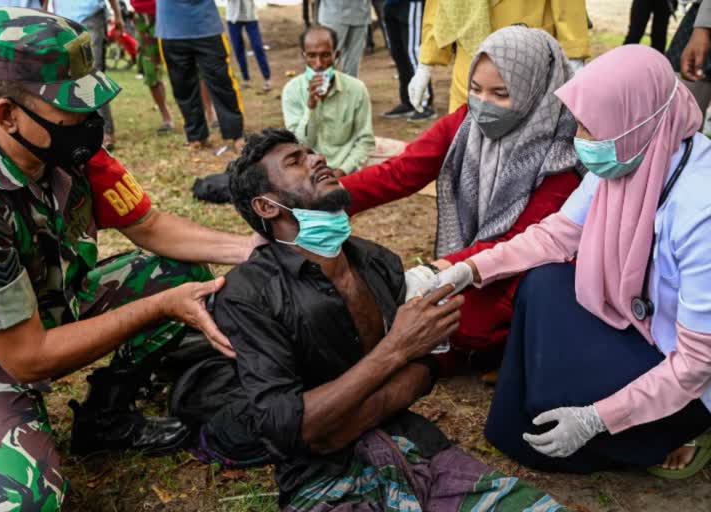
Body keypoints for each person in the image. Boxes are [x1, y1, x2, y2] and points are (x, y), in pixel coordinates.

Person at [0, 9, 259, 510]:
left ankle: (106, 416)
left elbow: (150, 226)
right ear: (8, 115)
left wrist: (251, 249)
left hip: (43, 308)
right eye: (71, 107)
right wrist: (159, 308)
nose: (90, 121)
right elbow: (26, 358)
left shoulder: (62, 150)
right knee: (20, 499)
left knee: (177, 276)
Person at [217, 127, 579, 511]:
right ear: (267, 206)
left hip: (419, 450)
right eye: (295, 161)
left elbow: (426, 366)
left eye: (311, 151)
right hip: (322, 482)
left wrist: (346, 420)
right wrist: (394, 350)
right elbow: (290, 427)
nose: (316, 159)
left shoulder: (377, 261)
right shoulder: (248, 293)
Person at [419, 45, 711, 479]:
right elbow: (556, 235)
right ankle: (566, 404)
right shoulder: (634, 152)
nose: (580, 139)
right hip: (634, 326)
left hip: (685, 369)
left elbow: (696, 362)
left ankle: (684, 429)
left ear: (638, 120)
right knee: (544, 284)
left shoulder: (700, 210)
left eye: (591, 127)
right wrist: (467, 270)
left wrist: (600, 417)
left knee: (562, 433)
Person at [341, 26, 581, 375]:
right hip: (475, 262)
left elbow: (522, 242)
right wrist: (330, 198)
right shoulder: (464, 125)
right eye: (475, 89)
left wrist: (440, 270)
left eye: (501, 93)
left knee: (460, 324)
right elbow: (401, 172)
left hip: (527, 267)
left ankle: (512, 346)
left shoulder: (560, 156)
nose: (484, 103)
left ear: (536, 90)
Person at [408, 0, 590, 113]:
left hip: (526, 57)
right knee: (462, 143)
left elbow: (569, 5)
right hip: (470, 62)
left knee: (525, 152)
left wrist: (574, 58)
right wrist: (425, 65)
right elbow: (439, 7)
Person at [282, 25, 375, 176]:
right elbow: (300, 145)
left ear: (336, 55)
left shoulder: (356, 89)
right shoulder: (292, 90)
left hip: (346, 169)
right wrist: (311, 106)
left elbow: (365, 140)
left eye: (325, 55)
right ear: (304, 56)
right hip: (308, 173)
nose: (318, 64)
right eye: (312, 56)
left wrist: (342, 171)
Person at [156, 0, 245, 152]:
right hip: (170, 29)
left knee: (222, 83)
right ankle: (196, 136)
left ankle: (236, 134)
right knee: (182, 87)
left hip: (207, 27)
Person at [52, 0, 123, 151]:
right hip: (62, 21)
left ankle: (105, 132)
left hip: (90, 15)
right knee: (66, 76)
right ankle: (75, 130)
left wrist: (117, 15)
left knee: (92, 75)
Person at [382, 0, 435, 122]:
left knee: (413, 52)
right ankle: (408, 101)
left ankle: (424, 104)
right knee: (398, 53)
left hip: (410, 3)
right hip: (388, 4)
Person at [130, 0, 174, 134]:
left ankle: (208, 114)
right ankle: (166, 117)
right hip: (141, 15)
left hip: (169, 11)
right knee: (150, 69)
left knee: (184, 64)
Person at [226, 0, 272, 93]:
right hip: (233, 18)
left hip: (250, 16)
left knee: (257, 46)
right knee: (238, 48)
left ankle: (267, 79)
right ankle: (245, 78)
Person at [317, 0, 370, 77]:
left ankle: (350, 88)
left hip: (361, 13)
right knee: (327, 58)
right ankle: (322, 87)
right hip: (333, 13)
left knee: (353, 63)